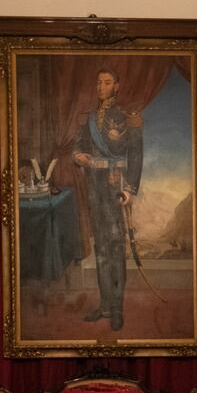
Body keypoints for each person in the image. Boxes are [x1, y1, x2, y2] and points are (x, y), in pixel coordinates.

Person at [73, 68, 143, 331]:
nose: (101, 86)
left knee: (115, 250)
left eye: (107, 82)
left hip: (116, 187)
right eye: (98, 82)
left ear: (117, 86)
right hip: (94, 189)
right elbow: (77, 146)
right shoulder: (88, 119)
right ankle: (104, 305)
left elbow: (136, 155)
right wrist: (78, 156)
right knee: (101, 250)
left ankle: (117, 308)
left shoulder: (128, 119)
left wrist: (130, 190)